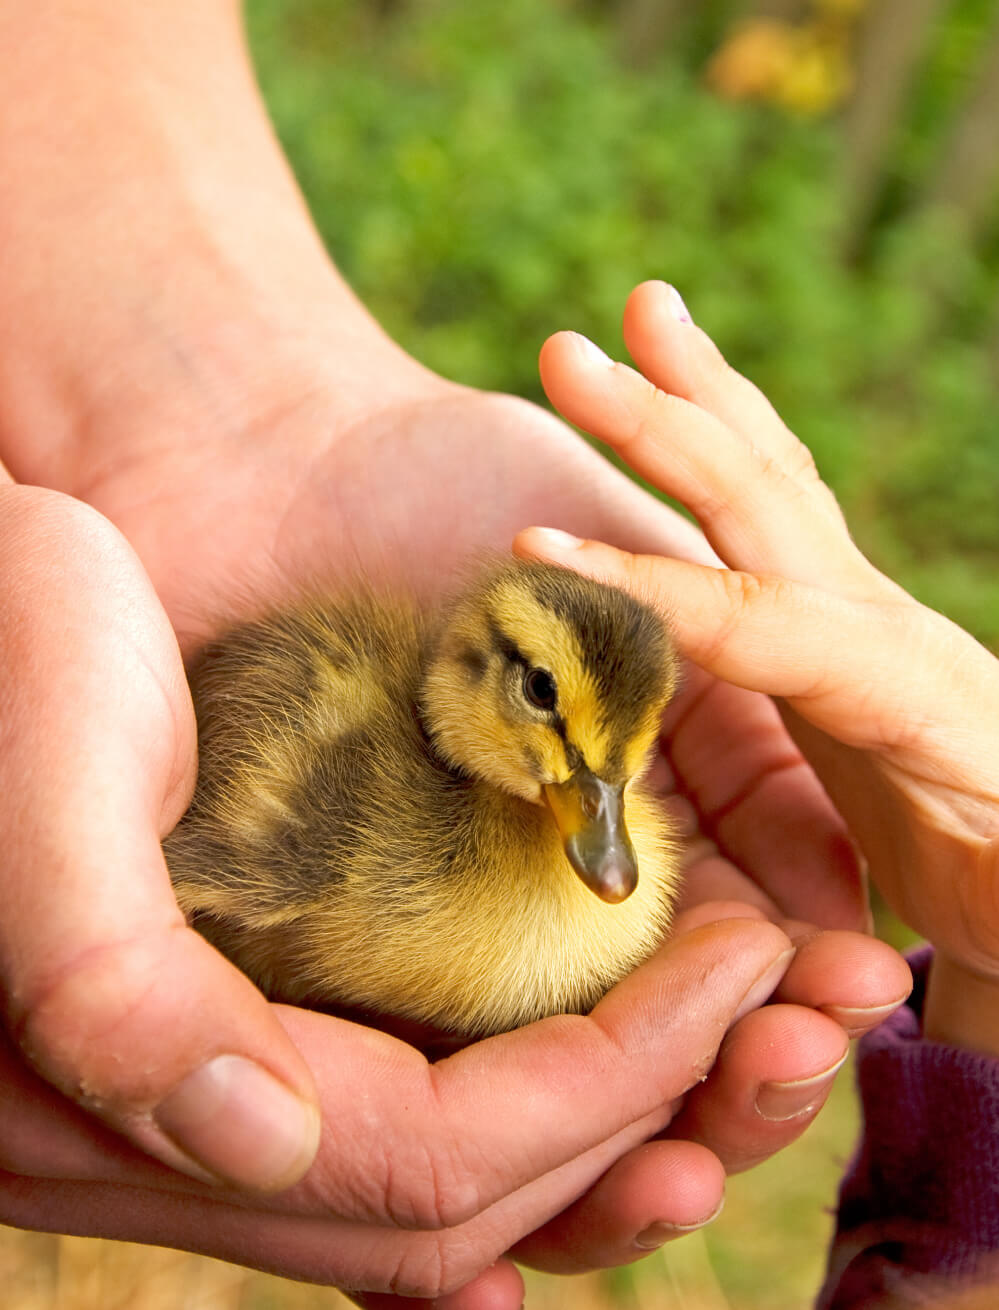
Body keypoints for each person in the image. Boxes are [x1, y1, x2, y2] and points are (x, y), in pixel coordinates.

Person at [0, 2, 949, 1306]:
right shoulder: (340, 816)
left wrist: (203, 393)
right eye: (557, 716)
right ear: (476, 666)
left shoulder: (573, 794)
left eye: (620, 764)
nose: (606, 832)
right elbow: (216, 852)